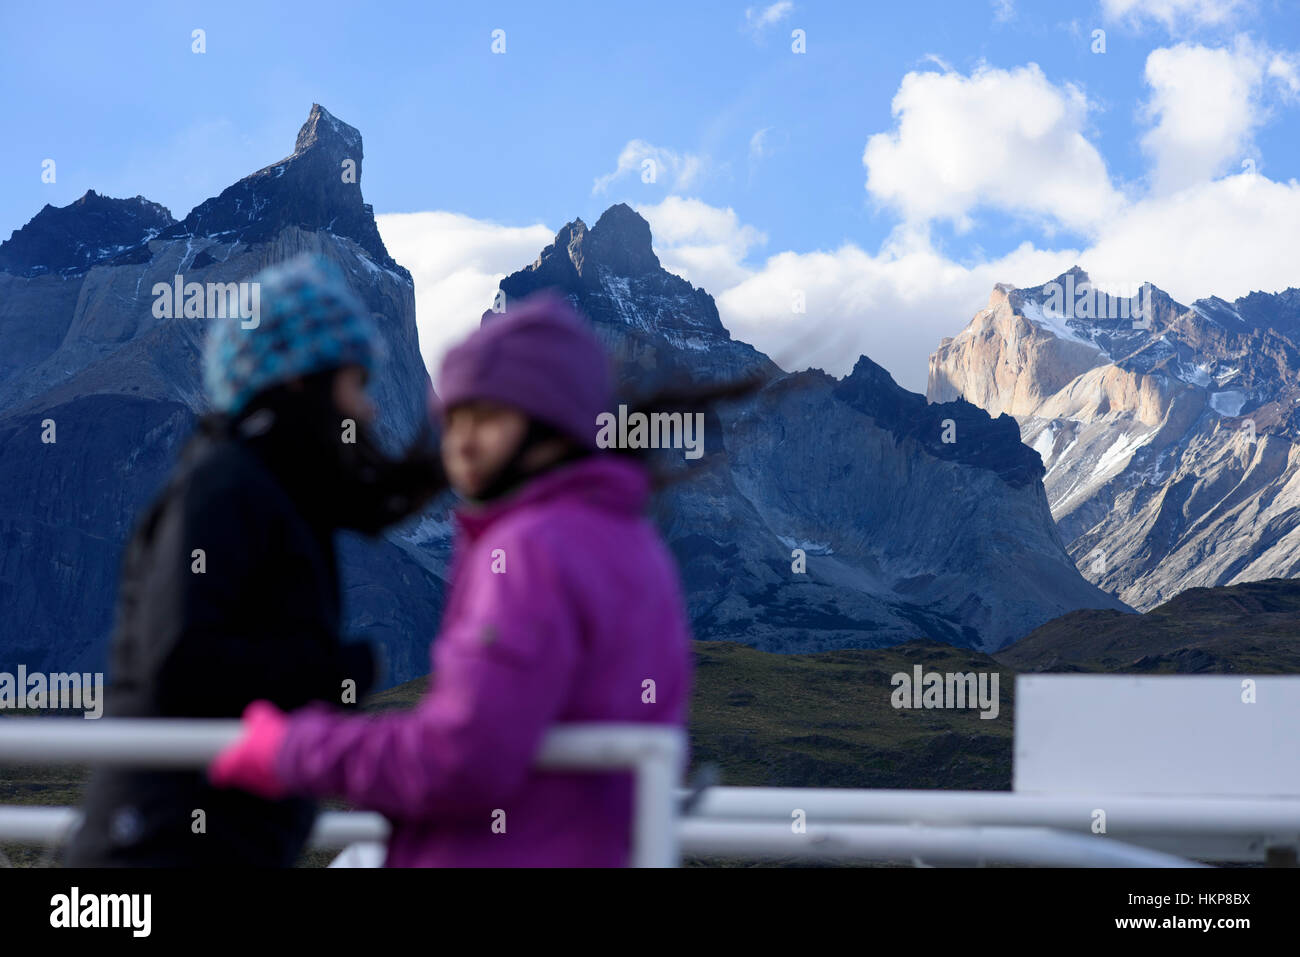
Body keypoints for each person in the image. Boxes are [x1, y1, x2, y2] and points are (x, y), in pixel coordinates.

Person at [208, 290, 697, 867]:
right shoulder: (633, 541)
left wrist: (294, 747)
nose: (462, 440)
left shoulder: (528, 549)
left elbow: (463, 756)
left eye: (488, 417)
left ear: (555, 422)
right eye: (455, 415)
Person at [64, 254, 444, 867]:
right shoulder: (225, 488)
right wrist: (333, 672)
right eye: (354, 384)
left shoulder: (264, 486)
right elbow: (180, 660)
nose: (370, 409)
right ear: (300, 381)